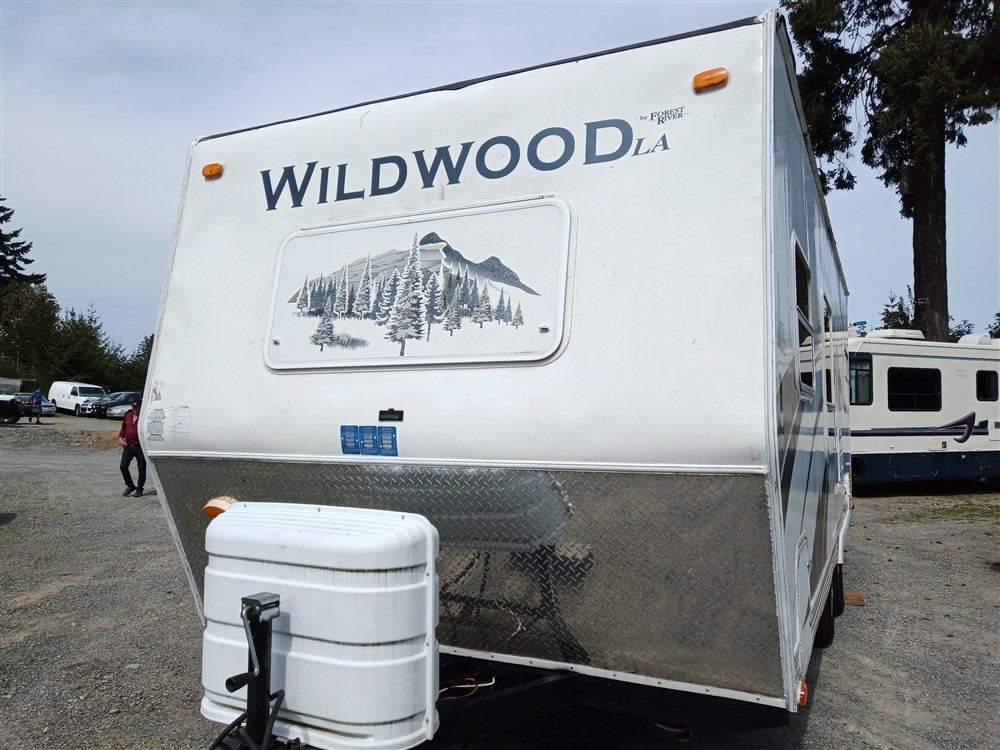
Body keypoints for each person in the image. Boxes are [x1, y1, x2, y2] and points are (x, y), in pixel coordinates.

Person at [118, 400, 146, 497]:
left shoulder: (144, 417)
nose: (134, 409)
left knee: (141, 468)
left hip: (140, 447)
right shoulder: (128, 415)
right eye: (133, 407)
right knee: (123, 466)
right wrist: (120, 438)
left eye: (136, 407)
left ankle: (140, 489)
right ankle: (130, 485)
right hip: (128, 446)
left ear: (141, 407)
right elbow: (123, 428)